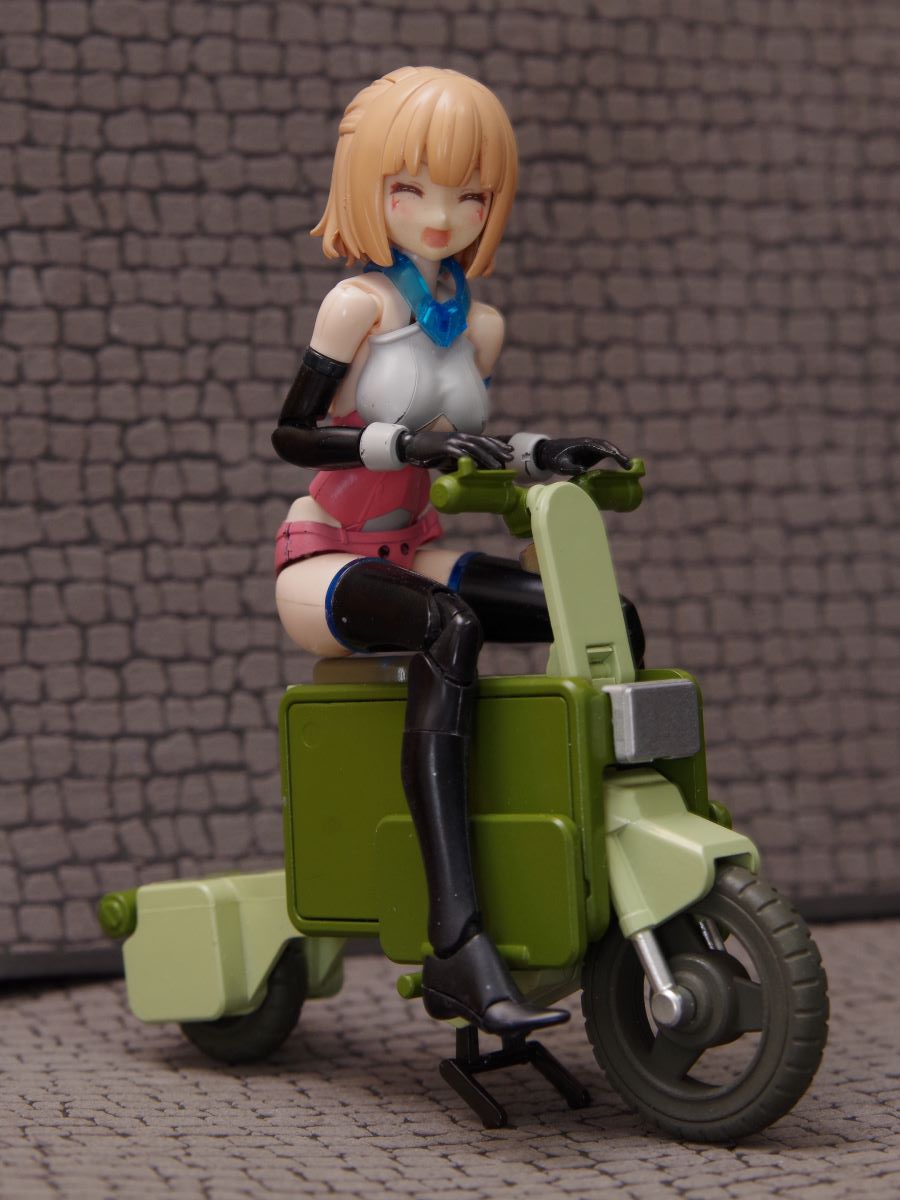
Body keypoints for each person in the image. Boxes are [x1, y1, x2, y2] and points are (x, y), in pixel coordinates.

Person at [272, 66, 642, 1035]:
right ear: (370, 187)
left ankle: (593, 856)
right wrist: (400, 445)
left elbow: (471, 439)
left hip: (414, 546)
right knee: (451, 627)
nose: (442, 217)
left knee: (598, 614)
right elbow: (293, 436)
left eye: (470, 196)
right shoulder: (357, 306)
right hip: (329, 557)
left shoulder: (479, 325)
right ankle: (455, 938)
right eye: (412, 190)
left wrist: (540, 451)